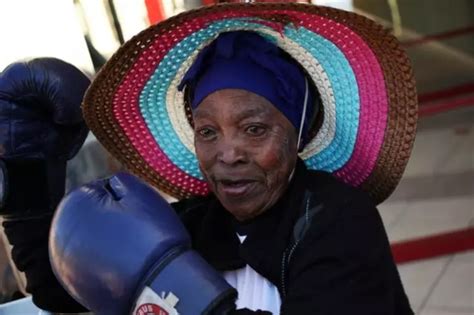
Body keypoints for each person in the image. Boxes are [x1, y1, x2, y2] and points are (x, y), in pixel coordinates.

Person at [1, 2, 418, 314]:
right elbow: (61, 291)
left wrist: (177, 291)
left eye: (254, 129)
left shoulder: (338, 220)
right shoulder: (195, 225)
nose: (229, 153)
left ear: (298, 134)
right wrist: (26, 174)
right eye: (208, 132)